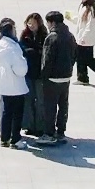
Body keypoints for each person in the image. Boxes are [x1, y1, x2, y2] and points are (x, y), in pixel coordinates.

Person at [37, 11, 77, 146]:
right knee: (63, 105)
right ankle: (61, 132)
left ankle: (49, 134)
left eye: (48, 22)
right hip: (66, 77)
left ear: (52, 22)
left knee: (50, 107)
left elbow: (47, 60)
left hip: (52, 78)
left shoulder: (51, 37)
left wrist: (44, 76)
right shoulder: (70, 36)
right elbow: (74, 55)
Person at [0, 17, 29, 149]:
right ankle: (15, 140)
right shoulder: (13, 48)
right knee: (17, 114)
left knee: (6, 113)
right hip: (16, 87)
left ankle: (4, 138)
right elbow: (20, 69)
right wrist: (25, 63)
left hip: (4, 85)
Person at [19, 13, 46, 137]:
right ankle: (29, 126)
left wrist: (33, 51)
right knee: (28, 100)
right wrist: (33, 51)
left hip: (40, 74)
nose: (31, 26)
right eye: (29, 23)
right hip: (28, 72)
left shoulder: (44, 35)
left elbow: (44, 52)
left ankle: (40, 127)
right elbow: (21, 50)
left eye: (33, 23)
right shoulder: (24, 35)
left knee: (40, 101)